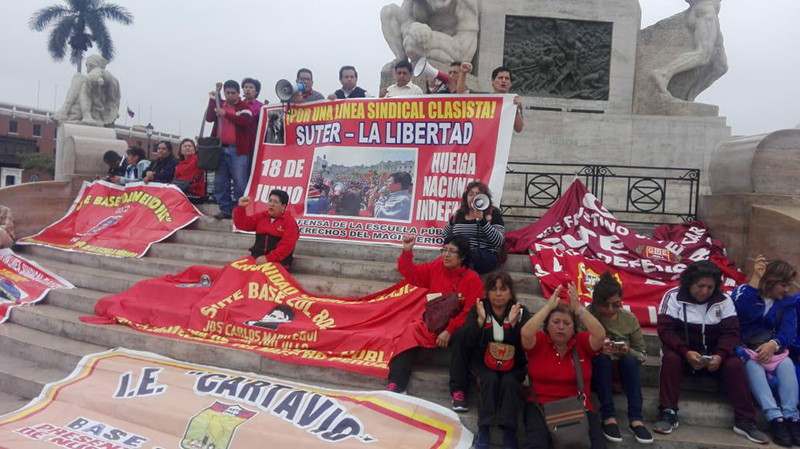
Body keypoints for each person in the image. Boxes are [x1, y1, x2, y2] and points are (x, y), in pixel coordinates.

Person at [654, 261, 768, 444]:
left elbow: (731, 333)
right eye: (700, 286)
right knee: (671, 358)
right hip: (683, 355)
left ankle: (745, 420)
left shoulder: (723, 300)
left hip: (715, 358)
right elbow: (665, 331)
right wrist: (686, 352)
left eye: (710, 287)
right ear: (689, 283)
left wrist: (720, 355)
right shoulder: (673, 297)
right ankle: (668, 412)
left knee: (735, 364)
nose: (705, 291)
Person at [386, 234, 483, 393]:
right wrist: (407, 252)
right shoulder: (435, 268)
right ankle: (396, 382)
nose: (446, 254)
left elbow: (470, 312)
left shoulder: (473, 279)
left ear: (463, 257)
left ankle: (458, 391)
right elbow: (410, 273)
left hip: (457, 329)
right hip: (433, 324)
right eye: (444, 250)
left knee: (463, 336)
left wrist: (449, 330)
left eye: (452, 251)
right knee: (412, 329)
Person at [521, 283, 607, 449]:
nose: (561, 327)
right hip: (541, 407)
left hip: (578, 408)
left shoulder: (581, 342)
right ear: (547, 325)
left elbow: (600, 335)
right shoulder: (539, 341)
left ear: (574, 328)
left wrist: (579, 309)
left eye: (567, 323)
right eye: (556, 322)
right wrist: (548, 308)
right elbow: (525, 333)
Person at [457, 271, 530, 449]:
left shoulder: (520, 311)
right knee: (489, 379)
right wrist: (480, 321)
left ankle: (510, 431)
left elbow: (525, 345)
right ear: (487, 292)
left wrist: (513, 326)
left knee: (509, 382)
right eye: (494, 289)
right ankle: (484, 428)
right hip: (482, 362)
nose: (498, 294)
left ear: (510, 292)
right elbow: (467, 340)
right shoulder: (478, 308)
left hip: (513, 364)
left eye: (503, 289)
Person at [732, 256, 799, 447]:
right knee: (753, 366)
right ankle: (774, 417)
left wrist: (774, 343)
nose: (787, 290)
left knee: (786, 364)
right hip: (746, 350)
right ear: (771, 281)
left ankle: (792, 417)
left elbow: (789, 331)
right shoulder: (744, 292)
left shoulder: (787, 304)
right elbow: (739, 310)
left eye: (789, 285)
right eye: (783, 285)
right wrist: (755, 281)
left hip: (774, 350)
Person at [582, 272, 653, 444]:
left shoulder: (628, 319)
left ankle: (636, 419)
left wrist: (627, 350)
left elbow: (641, 354)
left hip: (623, 371)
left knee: (629, 360)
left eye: (616, 305)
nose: (610, 310)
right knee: (602, 359)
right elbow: (578, 347)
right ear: (596, 302)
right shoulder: (587, 315)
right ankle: (608, 417)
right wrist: (598, 349)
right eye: (605, 305)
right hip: (596, 370)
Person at [205, 80, 253, 219]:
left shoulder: (243, 106)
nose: (231, 96)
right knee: (220, 182)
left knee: (239, 182)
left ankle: (239, 211)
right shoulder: (220, 104)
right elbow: (209, 118)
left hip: (237, 149)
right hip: (220, 149)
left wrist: (225, 114)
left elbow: (245, 121)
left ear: (238, 94)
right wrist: (214, 98)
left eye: (233, 93)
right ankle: (224, 210)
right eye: (228, 93)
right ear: (225, 93)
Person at [443, 181, 505, 275]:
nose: (473, 197)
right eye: (470, 194)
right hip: (460, 254)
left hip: (484, 256)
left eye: (478, 195)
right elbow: (445, 234)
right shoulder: (458, 214)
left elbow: (498, 241)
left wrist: (482, 221)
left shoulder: (492, 214)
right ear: (466, 197)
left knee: (469, 258)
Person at [233, 190, 299, 269]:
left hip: (278, 263)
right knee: (233, 269)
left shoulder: (289, 222)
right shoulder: (261, 216)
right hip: (256, 259)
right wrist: (241, 208)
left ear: (283, 206)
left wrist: (268, 258)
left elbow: (287, 246)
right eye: (270, 201)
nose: (271, 204)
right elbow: (242, 224)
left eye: (275, 202)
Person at [457, 63, 524, 133]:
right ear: (492, 81)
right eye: (500, 78)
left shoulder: (514, 101)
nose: (504, 80)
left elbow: (519, 129)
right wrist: (463, 73)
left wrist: (516, 108)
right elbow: (461, 92)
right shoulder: (485, 99)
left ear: (510, 83)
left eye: (507, 78)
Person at [241, 77, 264, 173]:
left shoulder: (261, 106)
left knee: (251, 171)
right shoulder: (238, 104)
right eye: (246, 87)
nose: (248, 89)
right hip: (239, 145)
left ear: (256, 91)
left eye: (251, 87)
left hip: (253, 145)